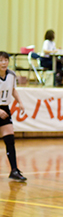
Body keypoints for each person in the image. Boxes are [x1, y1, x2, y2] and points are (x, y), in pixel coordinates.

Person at [0, 52, 27, 181]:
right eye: (1, 60)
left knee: (10, 139)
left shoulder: (11, 75)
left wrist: (20, 102)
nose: (4, 63)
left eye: (6, 60)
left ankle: (14, 170)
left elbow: (13, 90)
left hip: (5, 108)